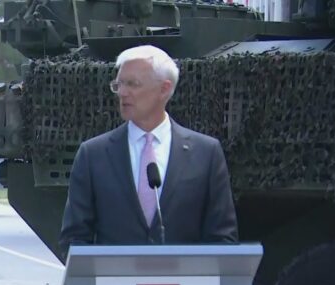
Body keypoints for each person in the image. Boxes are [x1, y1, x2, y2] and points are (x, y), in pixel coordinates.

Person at [58, 45, 237, 261]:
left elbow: (222, 239)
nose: (123, 93)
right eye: (119, 84)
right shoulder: (93, 155)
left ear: (164, 89)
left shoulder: (206, 154)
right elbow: (74, 239)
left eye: (132, 84)